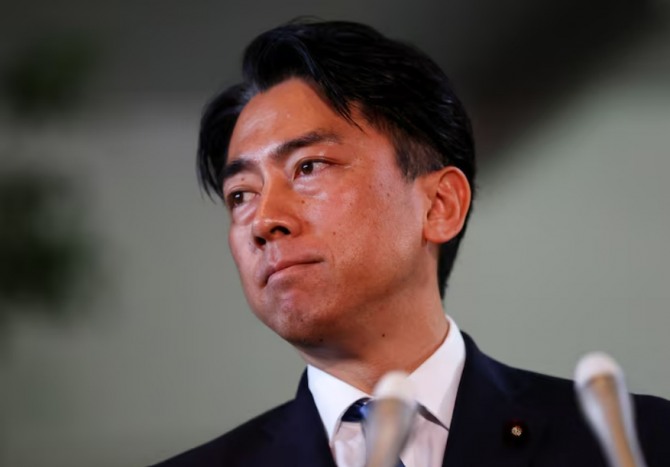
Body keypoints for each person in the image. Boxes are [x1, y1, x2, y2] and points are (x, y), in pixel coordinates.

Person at [154, 20, 670, 467]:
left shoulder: (637, 442)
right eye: (241, 195)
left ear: (439, 204)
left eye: (308, 167)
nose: (264, 220)